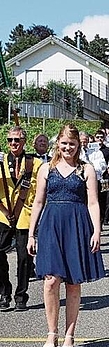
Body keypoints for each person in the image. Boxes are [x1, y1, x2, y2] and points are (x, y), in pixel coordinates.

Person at [27, 124, 104, 347]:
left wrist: (97, 231)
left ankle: (70, 334)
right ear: (57, 144)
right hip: (51, 225)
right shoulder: (45, 169)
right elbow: (38, 202)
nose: (68, 147)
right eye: (64, 143)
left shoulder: (86, 169)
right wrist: (32, 234)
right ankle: (52, 332)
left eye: (72, 143)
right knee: (50, 280)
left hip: (77, 225)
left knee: (72, 282)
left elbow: (93, 202)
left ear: (78, 145)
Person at [0, 126, 42, 312]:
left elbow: (42, 188)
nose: (13, 144)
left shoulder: (35, 163)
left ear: (24, 142)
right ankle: (4, 291)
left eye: (17, 140)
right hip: (3, 214)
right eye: (10, 140)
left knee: (24, 258)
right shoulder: (1, 162)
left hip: (25, 215)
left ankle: (21, 296)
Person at [94, 130, 109, 226]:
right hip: (93, 177)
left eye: (101, 137)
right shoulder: (91, 150)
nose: (99, 139)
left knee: (106, 199)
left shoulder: (108, 150)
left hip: (105, 176)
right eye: (97, 137)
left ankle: (104, 218)